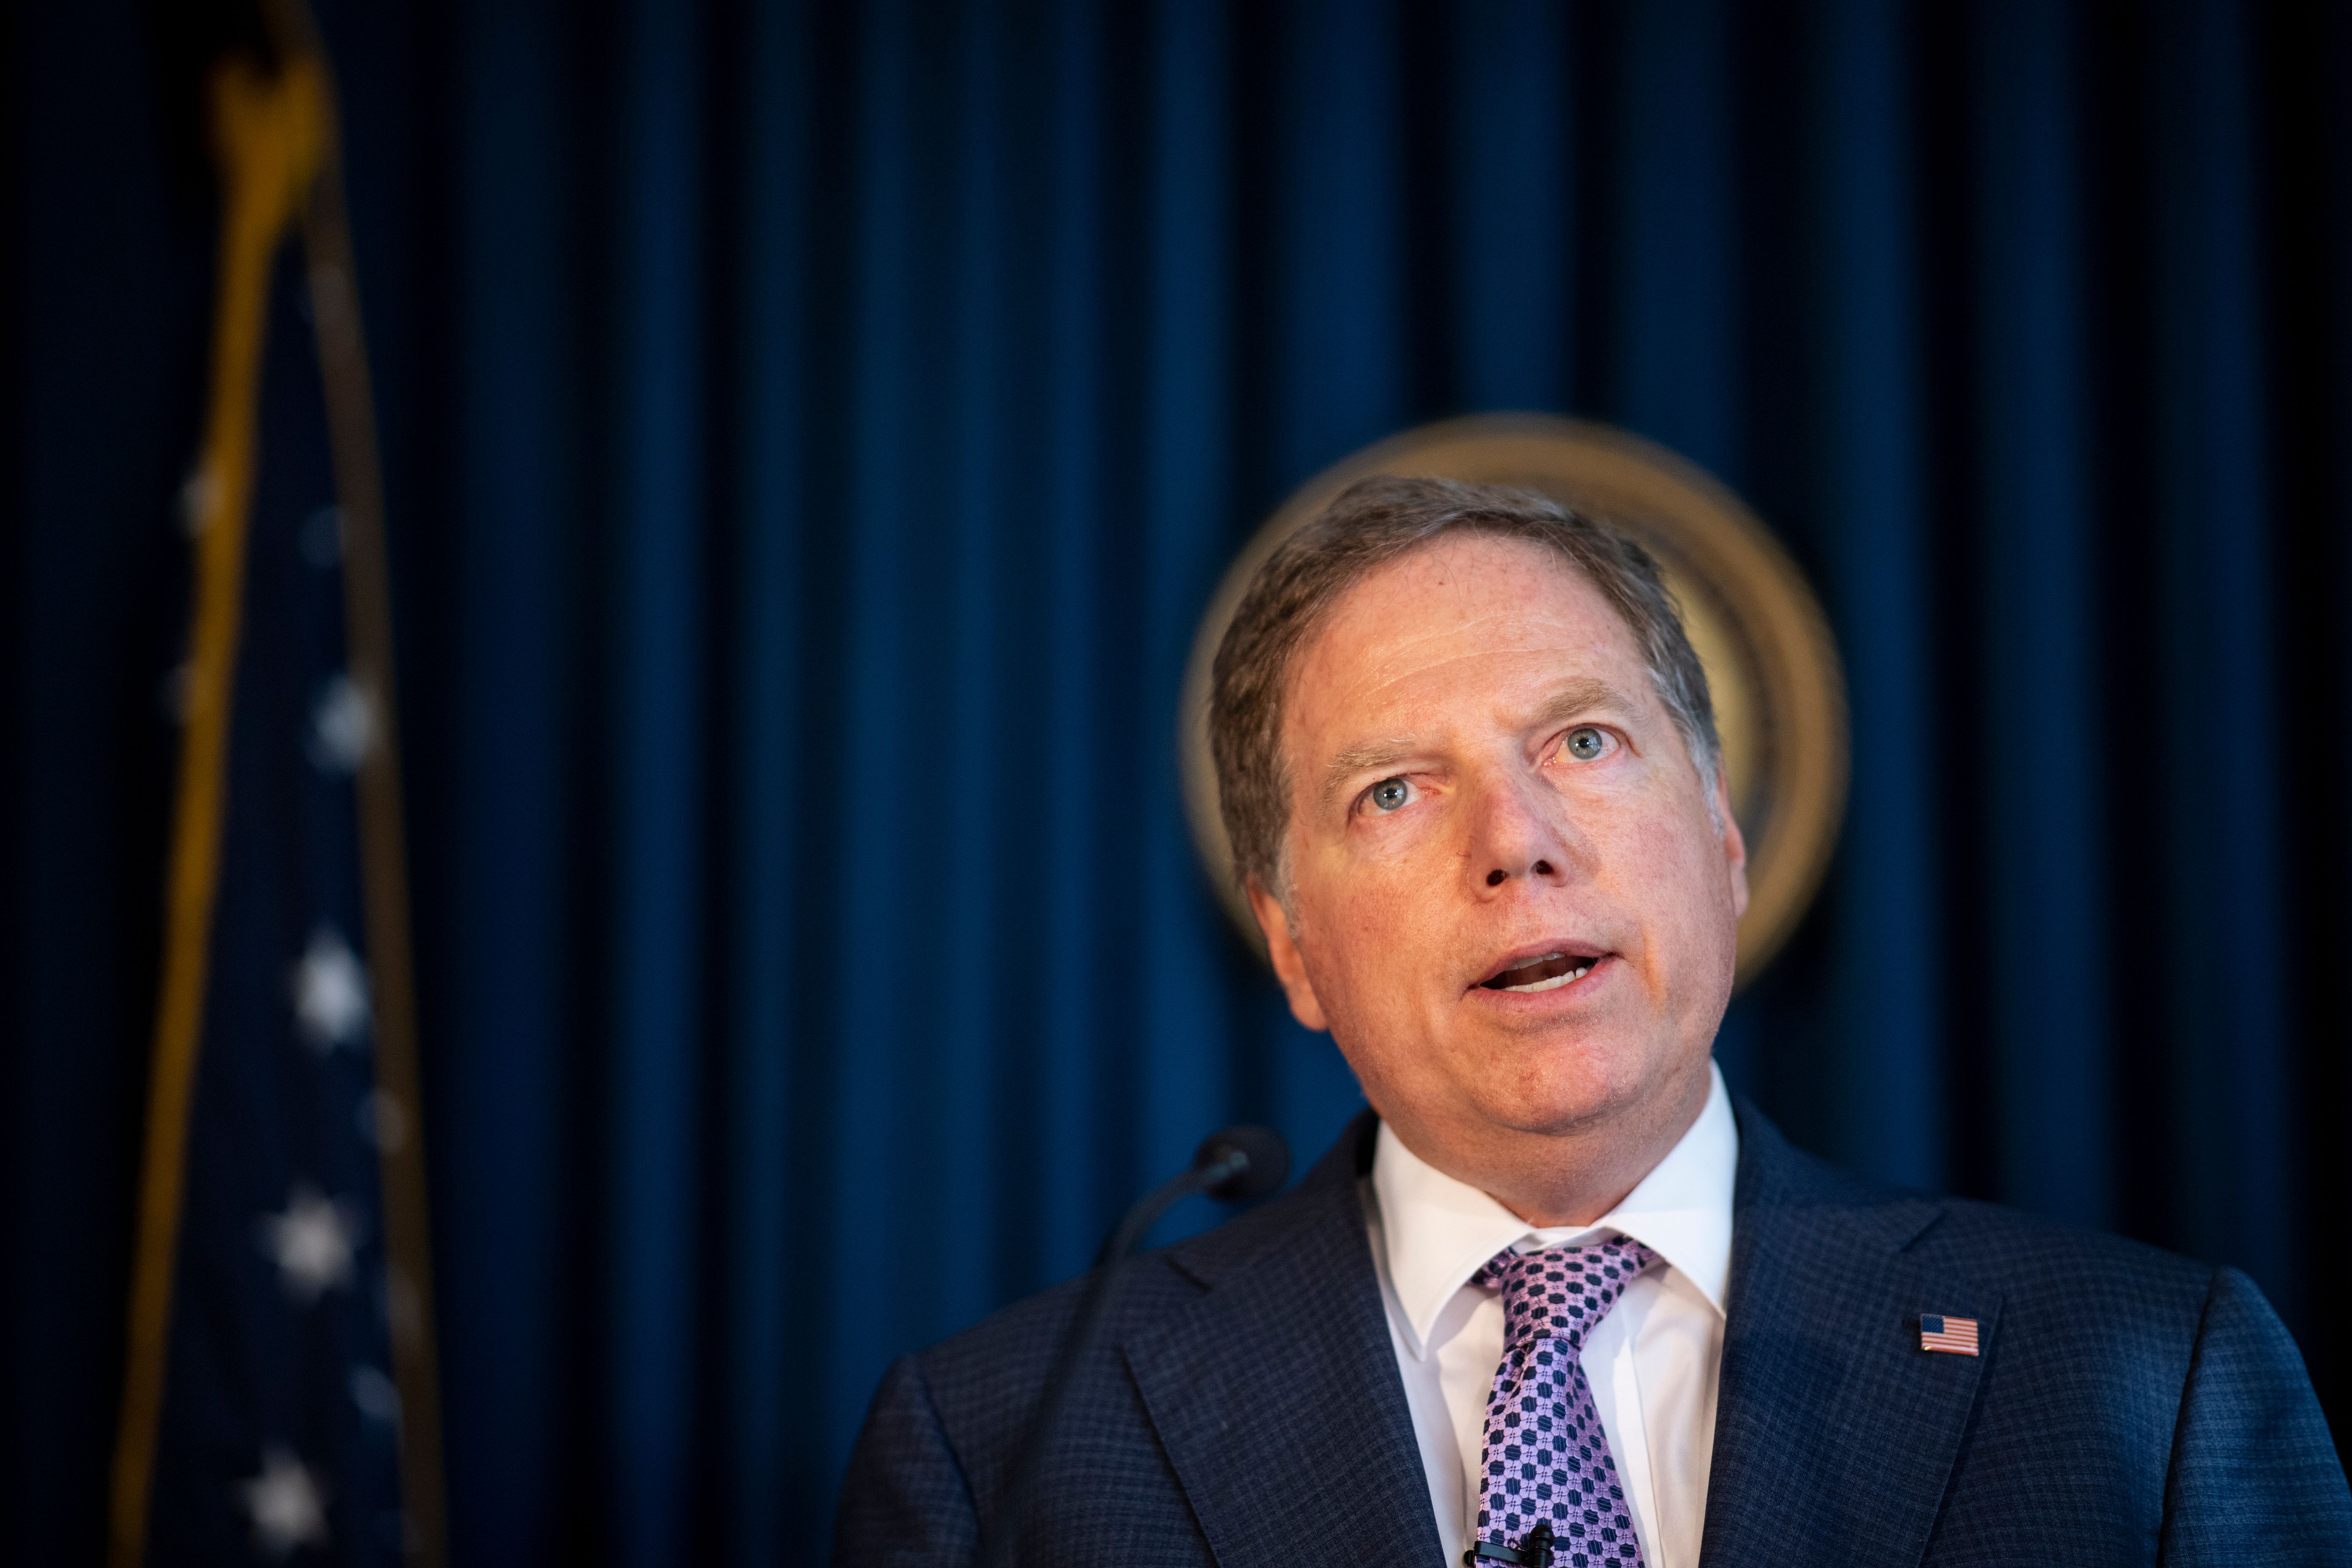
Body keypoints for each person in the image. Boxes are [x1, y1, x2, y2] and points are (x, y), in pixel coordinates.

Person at [833, 476, 2351, 1566]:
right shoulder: (1001, 1454)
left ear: (1724, 842)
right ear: (1292, 946)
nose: (1519, 842)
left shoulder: (2153, 1387)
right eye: (1395, 791)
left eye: (1583, 740)